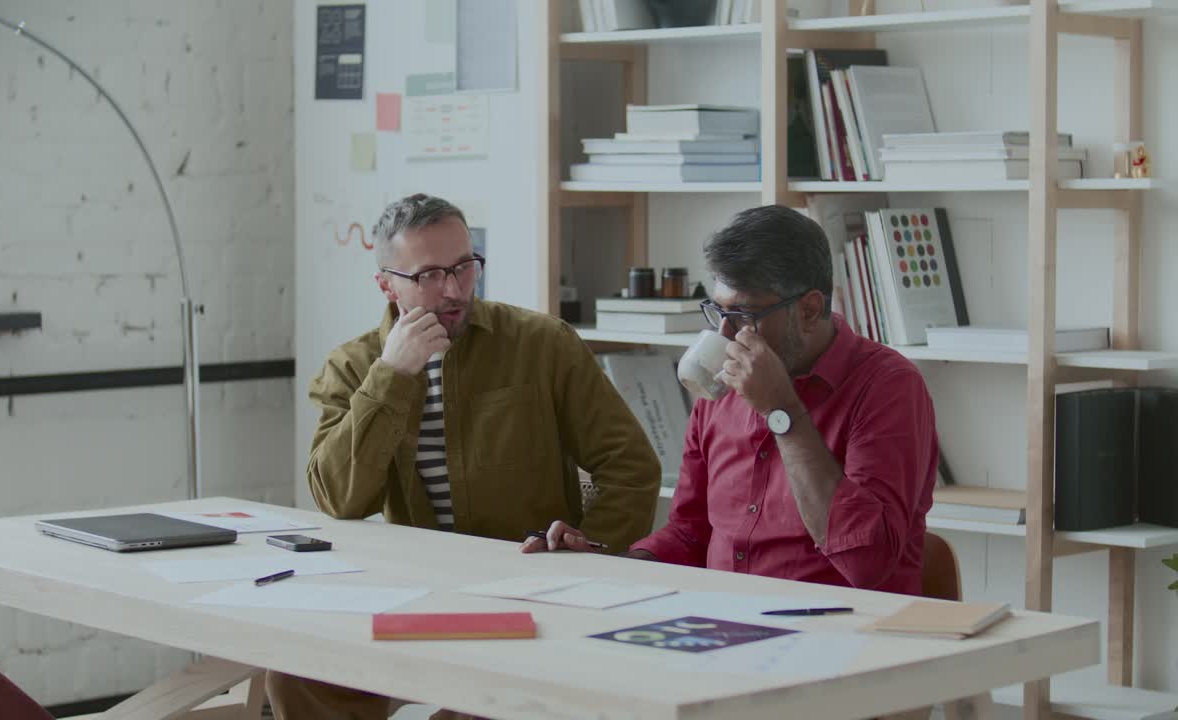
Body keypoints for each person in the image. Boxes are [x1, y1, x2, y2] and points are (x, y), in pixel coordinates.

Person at [267, 193, 661, 720]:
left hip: (528, 595)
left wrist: (592, 548)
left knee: (479, 709)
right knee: (298, 672)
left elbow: (631, 465)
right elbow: (338, 499)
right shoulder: (353, 365)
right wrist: (392, 376)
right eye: (429, 274)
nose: (453, 290)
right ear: (387, 284)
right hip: (410, 593)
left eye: (464, 266)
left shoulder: (541, 344)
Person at [524, 204, 938, 597]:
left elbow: (868, 563)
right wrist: (614, 567)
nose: (724, 337)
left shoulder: (888, 387)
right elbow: (690, 530)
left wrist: (783, 412)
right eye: (717, 311)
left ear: (810, 309)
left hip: (844, 636)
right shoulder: (720, 385)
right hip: (721, 625)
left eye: (744, 315)